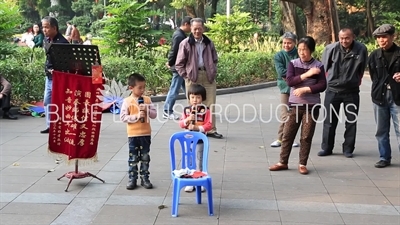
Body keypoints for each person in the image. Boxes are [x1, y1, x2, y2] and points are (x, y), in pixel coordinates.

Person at [269, 36, 327, 175]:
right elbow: (290, 81)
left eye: (305, 49)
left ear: (311, 50)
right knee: (288, 134)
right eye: (300, 49)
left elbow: (322, 85)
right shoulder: (293, 64)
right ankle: (283, 162)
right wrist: (308, 74)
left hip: (311, 106)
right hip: (295, 105)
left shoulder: (318, 66)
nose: (302, 52)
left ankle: (302, 164)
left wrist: (306, 89)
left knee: (306, 137)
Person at [318, 28, 368, 158]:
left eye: (347, 38)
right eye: (341, 38)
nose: (344, 41)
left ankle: (348, 149)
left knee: (351, 121)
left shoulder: (361, 49)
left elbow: (361, 69)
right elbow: (324, 67)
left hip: (351, 92)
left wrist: (355, 80)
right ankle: (327, 147)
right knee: (329, 121)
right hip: (332, 90)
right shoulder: (331, 49)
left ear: (353, 37)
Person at [175, 18, 223, 139]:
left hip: (207, 76)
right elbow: (179, 64)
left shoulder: (209, 42)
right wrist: (187, 76)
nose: (197, 31)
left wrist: (213, 70)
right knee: (193, 104)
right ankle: (193, 128)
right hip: (193, 77)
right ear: (191, 29)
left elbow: (215, 58)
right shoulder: (185, 43)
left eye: (199, 28)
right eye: (195, 29)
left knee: (210, 104)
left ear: (203, 29)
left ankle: (211, 129)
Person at [367, 24, 400, 168]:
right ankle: (384, 157)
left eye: (384, 37)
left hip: (398, 96)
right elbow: (374, 77)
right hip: (380, 97)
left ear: (393, 36)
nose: (381, 40)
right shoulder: (374, 55)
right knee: (381, 130)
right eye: (379, 38)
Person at [120, 73, 157, 189]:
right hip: (133, 135)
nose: (142, 90)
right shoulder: (127, 101)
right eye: (139, 87)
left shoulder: (147, 100)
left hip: (145, 134)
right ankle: (132, 178)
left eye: (144, 87)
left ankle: (145, 178)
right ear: (131, 88)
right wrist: (136, 116)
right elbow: (123, 118)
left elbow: (154, 115)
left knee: (145, 157)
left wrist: (147, 110)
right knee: (133, 158)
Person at [179, 84, 212, 192]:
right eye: (192, 97)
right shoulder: (186, 110)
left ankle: (200, 180)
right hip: (188, 140)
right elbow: (181, 124)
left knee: (199, 160)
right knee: (189, 160)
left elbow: (209, 125)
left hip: (200, 140)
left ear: (203, 98)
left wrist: (197, 128)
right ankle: (190, 181)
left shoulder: (206, 110)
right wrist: (188, 120)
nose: (195, 100)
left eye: (198, 97)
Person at [40, 16, 69, 134]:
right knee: (47, 101)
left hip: (58, 78)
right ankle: (50, 125)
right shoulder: (46, 40)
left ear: (54, 28)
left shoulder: (63, 43)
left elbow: (67, 63)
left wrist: (56, 70)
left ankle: (61, 126)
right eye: (43, 27)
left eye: (46, 27)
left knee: (60, 102)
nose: (44, 30)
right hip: (49, 76)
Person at [271, 32, 300, 148]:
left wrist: (291, 75)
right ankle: (280, 138)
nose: (286, 45)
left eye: (289, 43)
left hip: (298, 88)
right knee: (285, 114)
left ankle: (286, 138)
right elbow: (280, 72)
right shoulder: (279, 56)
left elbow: (303, 70)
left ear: (294, 43)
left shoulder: (300, 53)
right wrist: (294, 75)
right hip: (284, 87)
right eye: (284, 43)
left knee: (293, 115)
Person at [163, 16, 192, 120]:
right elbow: (174, 51)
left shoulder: (180, 34)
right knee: (174, 89)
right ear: (186, 24)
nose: (192, 28)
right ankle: (167, 110)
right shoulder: (179, 36)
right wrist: (170, 63)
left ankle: (194, 108)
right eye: (191, 26)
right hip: (178, 67)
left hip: (181, 66)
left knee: (188, 88)